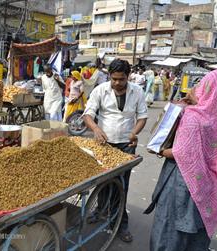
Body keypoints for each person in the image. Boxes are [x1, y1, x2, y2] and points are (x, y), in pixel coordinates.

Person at [146, 69, 217, 251]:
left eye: (202, 84)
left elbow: (179, 153)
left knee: (169, 233)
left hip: (182, 183)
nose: (196, 87)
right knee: (196, 237)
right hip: (209, 187)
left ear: (211, 89)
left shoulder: (193, 117)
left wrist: (160, 150)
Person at [83, 59, 148, 242]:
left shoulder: (137, 91)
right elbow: (88, 114)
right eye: (114, 79)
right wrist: (95, 129)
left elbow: (142, 117)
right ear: (110, 76)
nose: (117, 83)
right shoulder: (100, 90)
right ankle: (100, 210)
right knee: (102, 180)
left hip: (126, 144)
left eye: (121, 79)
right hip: (104, 144)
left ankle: (120, 223)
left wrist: (134, 133)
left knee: (122, 184)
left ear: (128, 76)